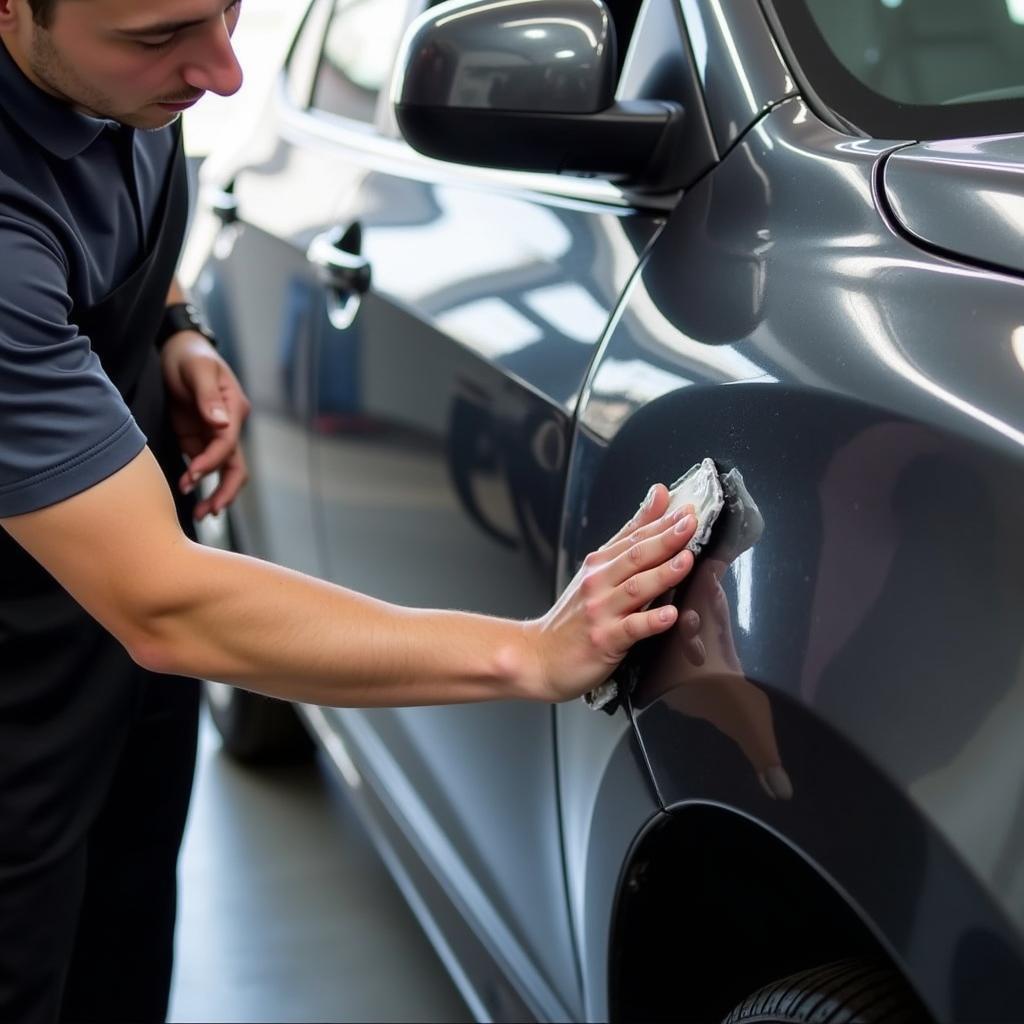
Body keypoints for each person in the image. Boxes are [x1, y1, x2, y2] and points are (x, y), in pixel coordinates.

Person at [0, 1, 699, 1021]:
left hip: (115, 654)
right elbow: (164, 607)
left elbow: (105, 209)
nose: (226, 73)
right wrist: (527, 653)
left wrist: (174, 330)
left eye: (229, 12)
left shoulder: (124, 68)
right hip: (25, 674)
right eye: (161, 39)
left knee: (122, 936)